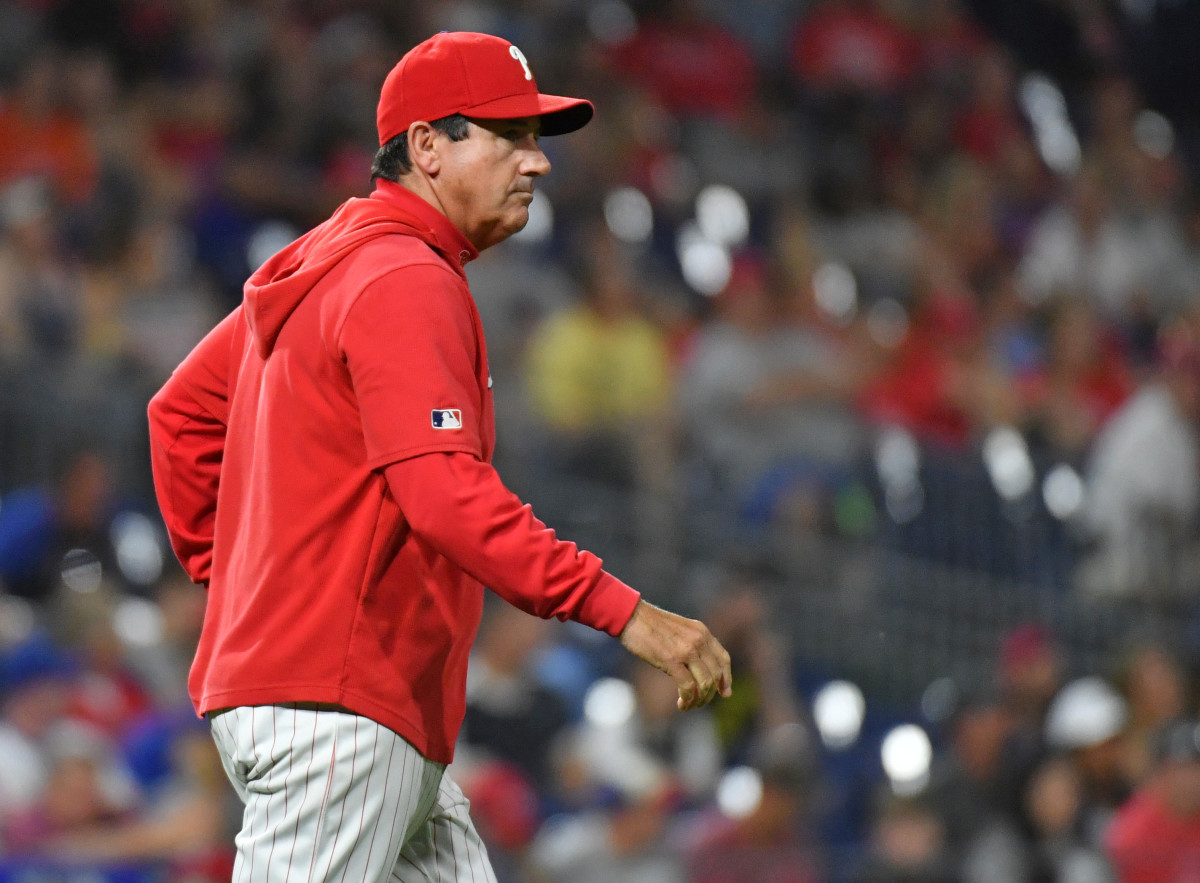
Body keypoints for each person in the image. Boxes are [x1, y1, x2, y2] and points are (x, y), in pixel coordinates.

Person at [145, 30, 732, 883]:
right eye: (509, 137)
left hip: (347, 708)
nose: (536, 164)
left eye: (536, 141)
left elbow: (181, 417)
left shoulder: (331, 263)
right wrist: (626, 611)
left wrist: (242, 589)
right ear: (427, 146)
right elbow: (448, 495)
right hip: (337, 716)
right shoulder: (400, 276)